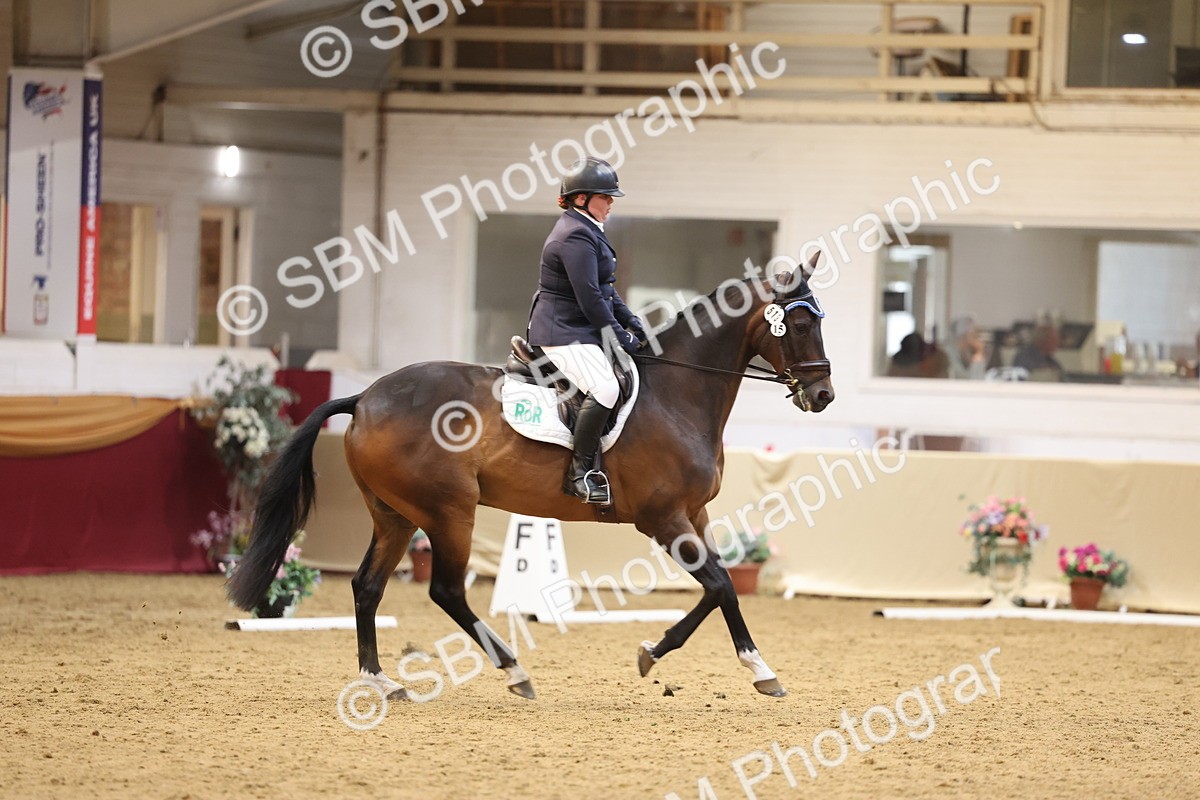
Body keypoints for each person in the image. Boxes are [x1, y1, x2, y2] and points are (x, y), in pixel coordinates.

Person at [526, 156, 647, 504]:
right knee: (606, 387)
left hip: (578, 328)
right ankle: (579, 474)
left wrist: (630, 319)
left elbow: (605, 289)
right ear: (581, 198)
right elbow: (590, 297)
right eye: (605, 196)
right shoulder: (574, 235)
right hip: (560, 331)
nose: (611, 202)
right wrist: (619, 336)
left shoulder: (587, 229)